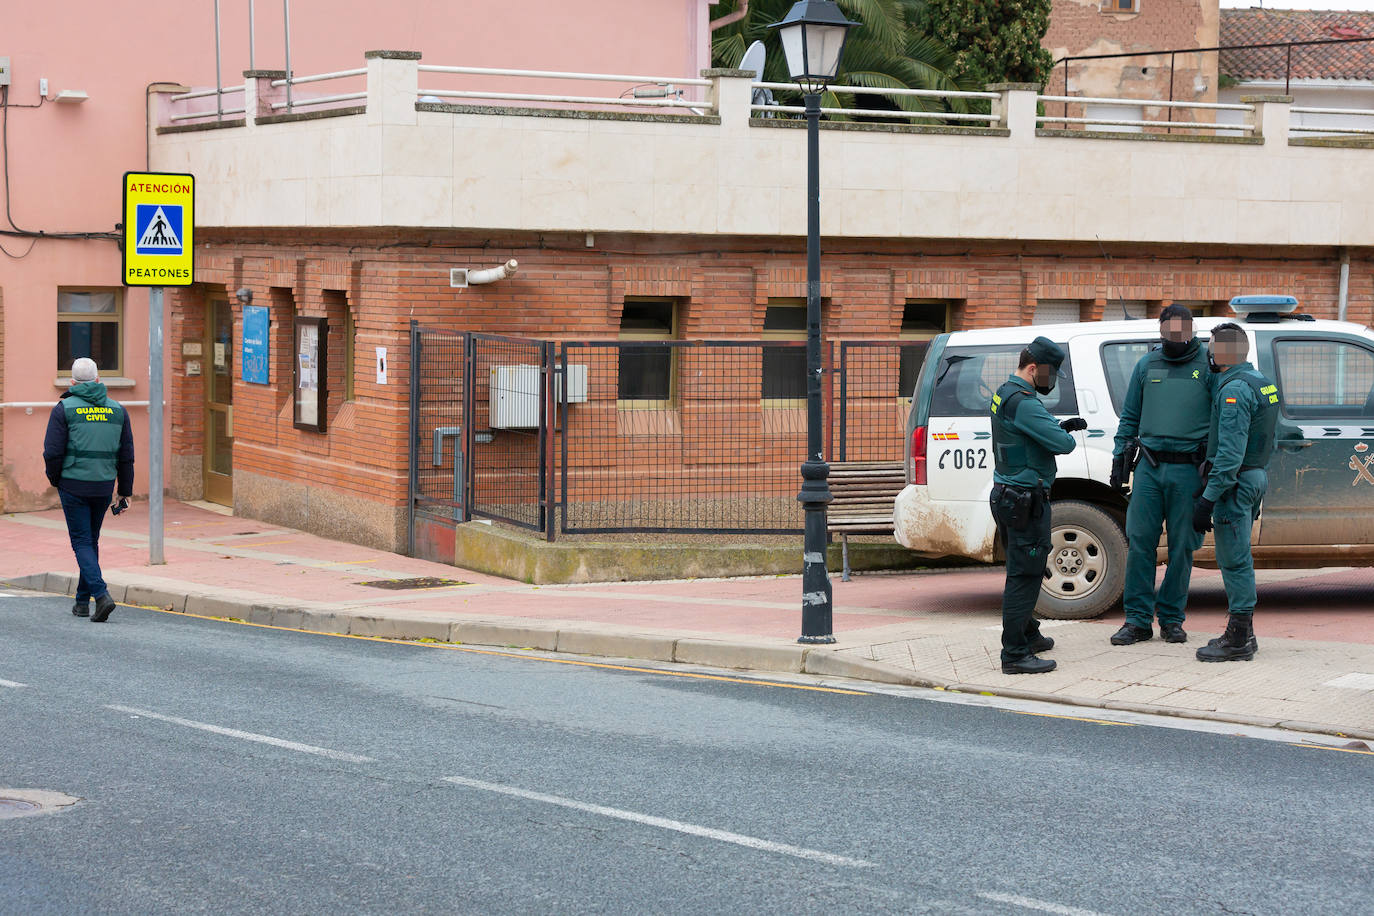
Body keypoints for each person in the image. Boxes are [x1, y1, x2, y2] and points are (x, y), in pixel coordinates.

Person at [1108, 305, 1215, 646]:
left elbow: (1221, 419)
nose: (1175, 338)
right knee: (1140, 544)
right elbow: (1130, 417)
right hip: (1150, 470)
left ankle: (1171, 619)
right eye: (1169, 332)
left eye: (1181, 332)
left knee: (1183, 547)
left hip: (1189, 470)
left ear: (1191, 330)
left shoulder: (1209, 366)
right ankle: (1137, 620)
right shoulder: (1147, 364)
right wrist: (1118, 459)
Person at [989, 337, 1086, 674]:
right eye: (1049, 373)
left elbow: (1025, 437)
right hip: (1025, 501)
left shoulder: (1004, 391)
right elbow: (1064, 445)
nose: (1052, 380)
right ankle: (1015, 653)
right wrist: (1063, 433)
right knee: (1025, 575)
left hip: (1007, 494)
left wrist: (1054, 427)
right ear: (1033, 368)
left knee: (1021, 570)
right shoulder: (1025, 402)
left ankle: (1029, 633)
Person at [1191, 323, 1279, 662]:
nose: (1208, 355)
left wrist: (1208, 498)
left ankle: (1238, 638)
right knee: (1238, 556)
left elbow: (1229, 455)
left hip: (1234, 484)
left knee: (1234, 559)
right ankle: (1246, 634)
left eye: (1211, 348)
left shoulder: (1235, 391)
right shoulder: (1260, 381)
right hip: (1254, 476)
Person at [42, 357, 134, 623]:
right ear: (98, 381)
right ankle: (82, 603)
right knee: (90, 541)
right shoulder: (118, 410)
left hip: (73, 484)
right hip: (103, 485)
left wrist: (56, 480)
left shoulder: (64, 409)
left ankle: (101, 595)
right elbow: (126, 456)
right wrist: (124, 491)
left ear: (72, 383)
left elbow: (52, 452)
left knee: (81, 542)